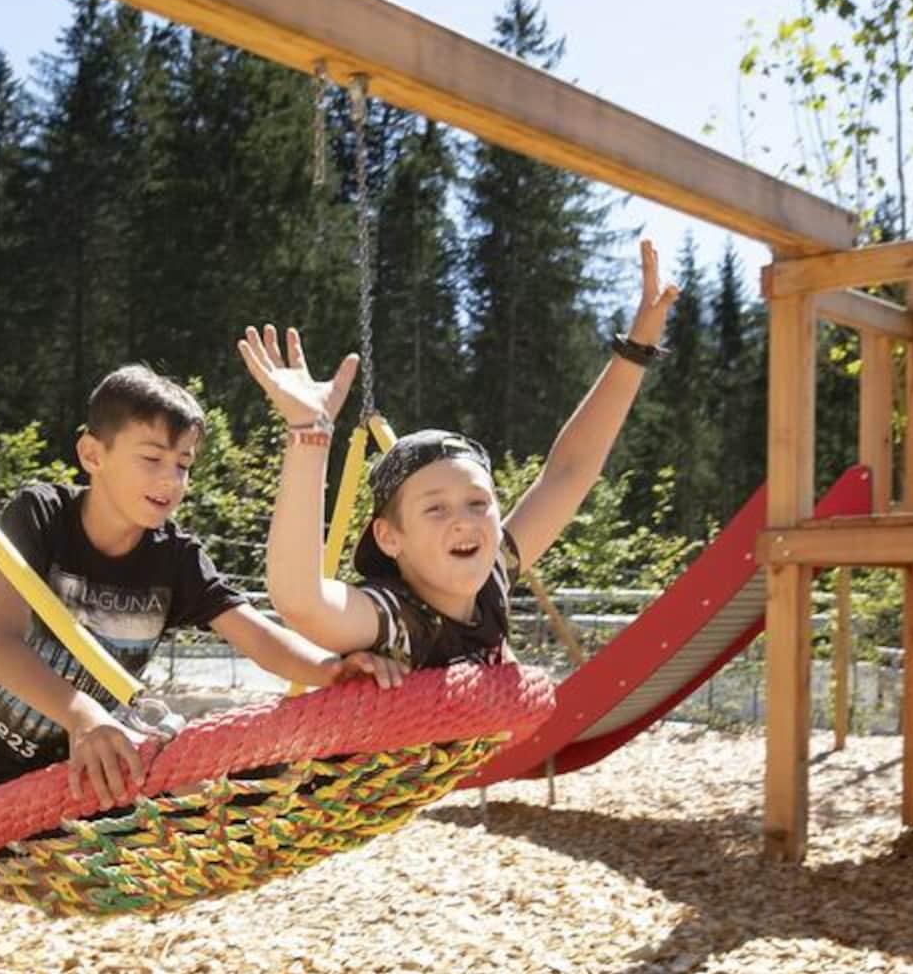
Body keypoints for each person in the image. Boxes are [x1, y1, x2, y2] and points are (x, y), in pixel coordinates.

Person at [0, 365, 403, 974]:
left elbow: (257, 634)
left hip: (57, 759)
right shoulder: (43, 516)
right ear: (92, 454)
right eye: (152, 458)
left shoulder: (175, 560)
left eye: (184, 465)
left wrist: (331, 669)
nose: (171, 481)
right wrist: (83, 714)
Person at [238, 239, 677, 670]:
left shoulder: (492, 581)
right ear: (389, 537)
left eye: (478, 503)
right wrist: (309, 433)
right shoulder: (393, 618)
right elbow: (302, 601)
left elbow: (569, 472)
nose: (464, 520)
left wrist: (637, 348)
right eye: (435, 509)